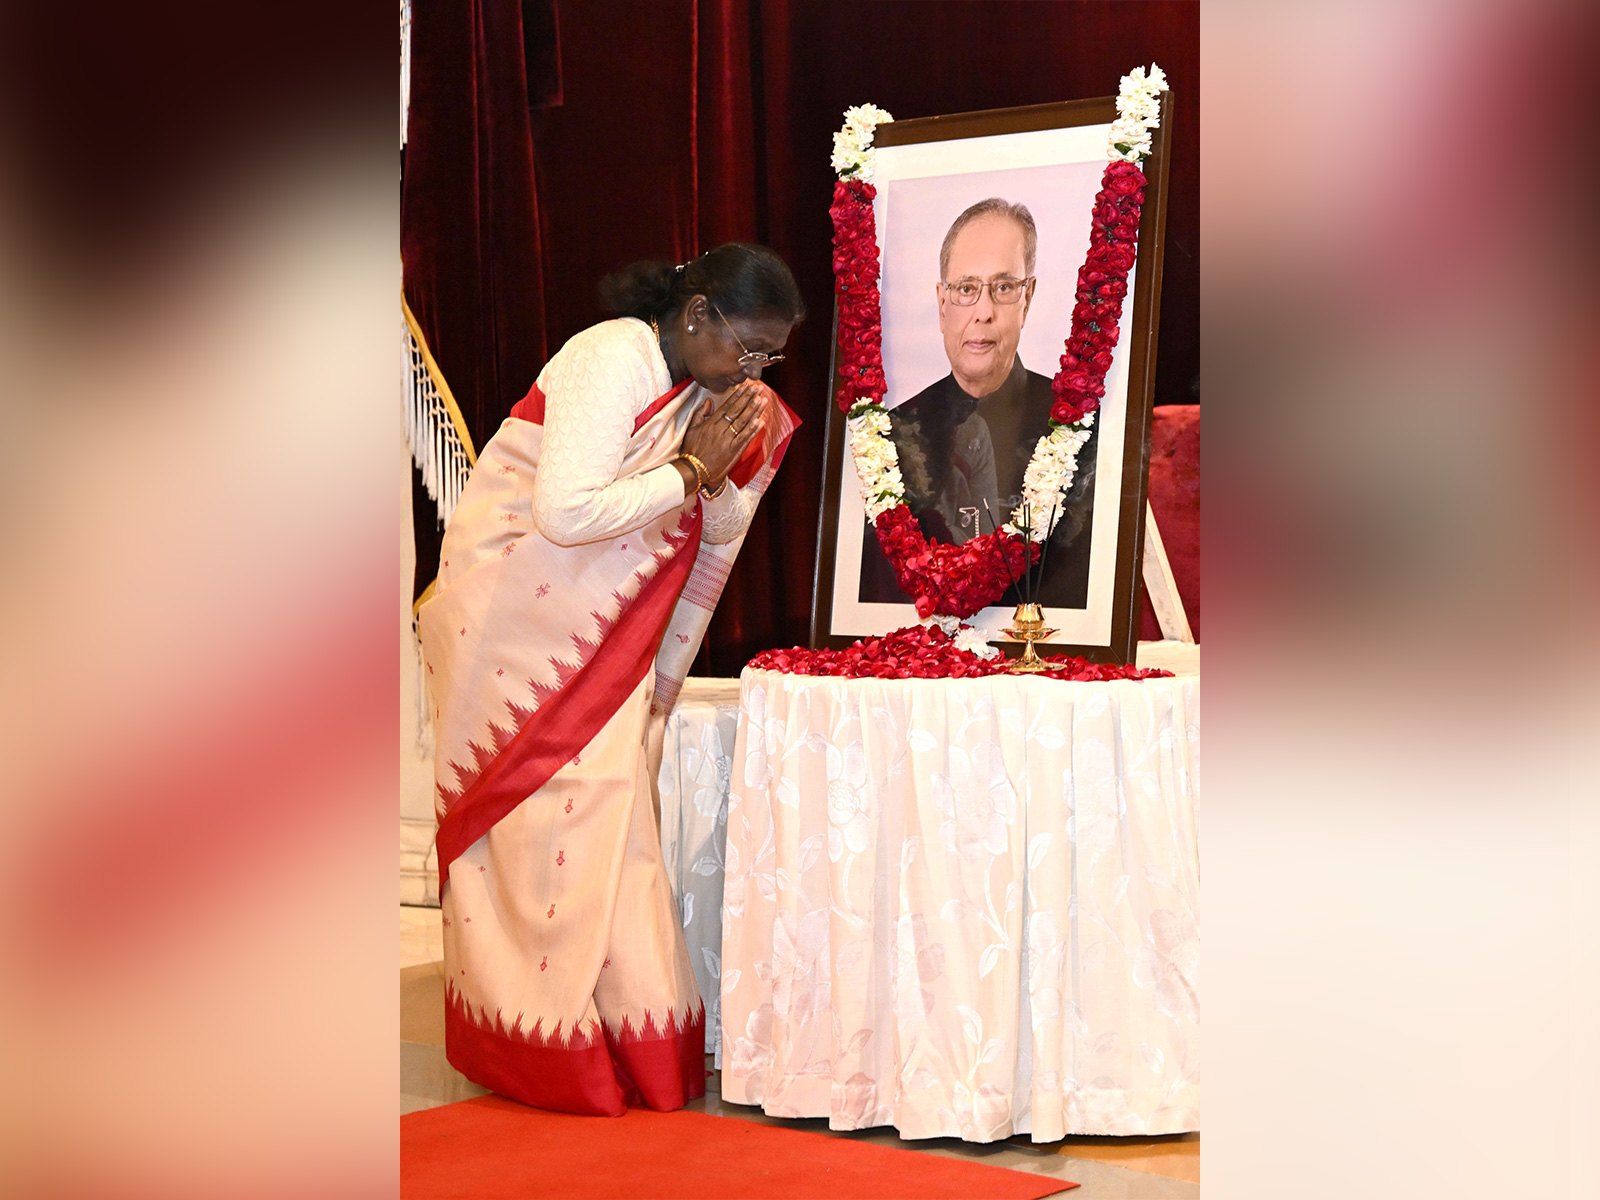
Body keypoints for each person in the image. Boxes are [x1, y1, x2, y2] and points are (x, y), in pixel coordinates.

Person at [417, 243, 804, 1117]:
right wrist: (694, 470)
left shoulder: (706, 394)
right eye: (746, 349)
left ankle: (633, 1039)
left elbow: (713, 520)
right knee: (545, 823)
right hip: (515, 622)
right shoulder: (610, 358)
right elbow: (564, 513)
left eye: (770, 358)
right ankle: (539, 1043)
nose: (753, 371)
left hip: (600, 639)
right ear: (697, 313)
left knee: (615, 818)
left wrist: (725, 470)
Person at [860, 198, 1098, 607]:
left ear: (1028, 299)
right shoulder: (887, 433)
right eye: (966, 289)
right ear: (941, 304)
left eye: (1003, 288)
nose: (983, 312)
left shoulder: (1081, 425)